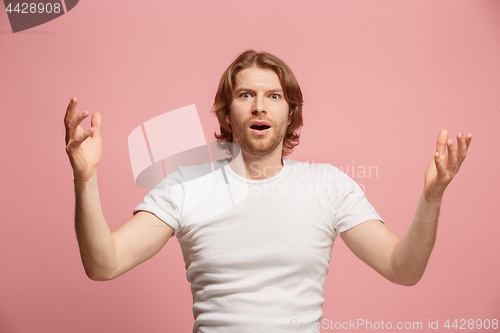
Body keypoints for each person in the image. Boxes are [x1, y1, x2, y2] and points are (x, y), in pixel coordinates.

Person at [64, 50, 472, 332]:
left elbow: (403, 270)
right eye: (246, 95)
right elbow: (104, 264)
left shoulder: (328, 185)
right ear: (227, 112)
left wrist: (432, 197)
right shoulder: (185, 186)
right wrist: (86, 179)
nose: (260, 106)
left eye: (273, 96)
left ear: (289, 112)